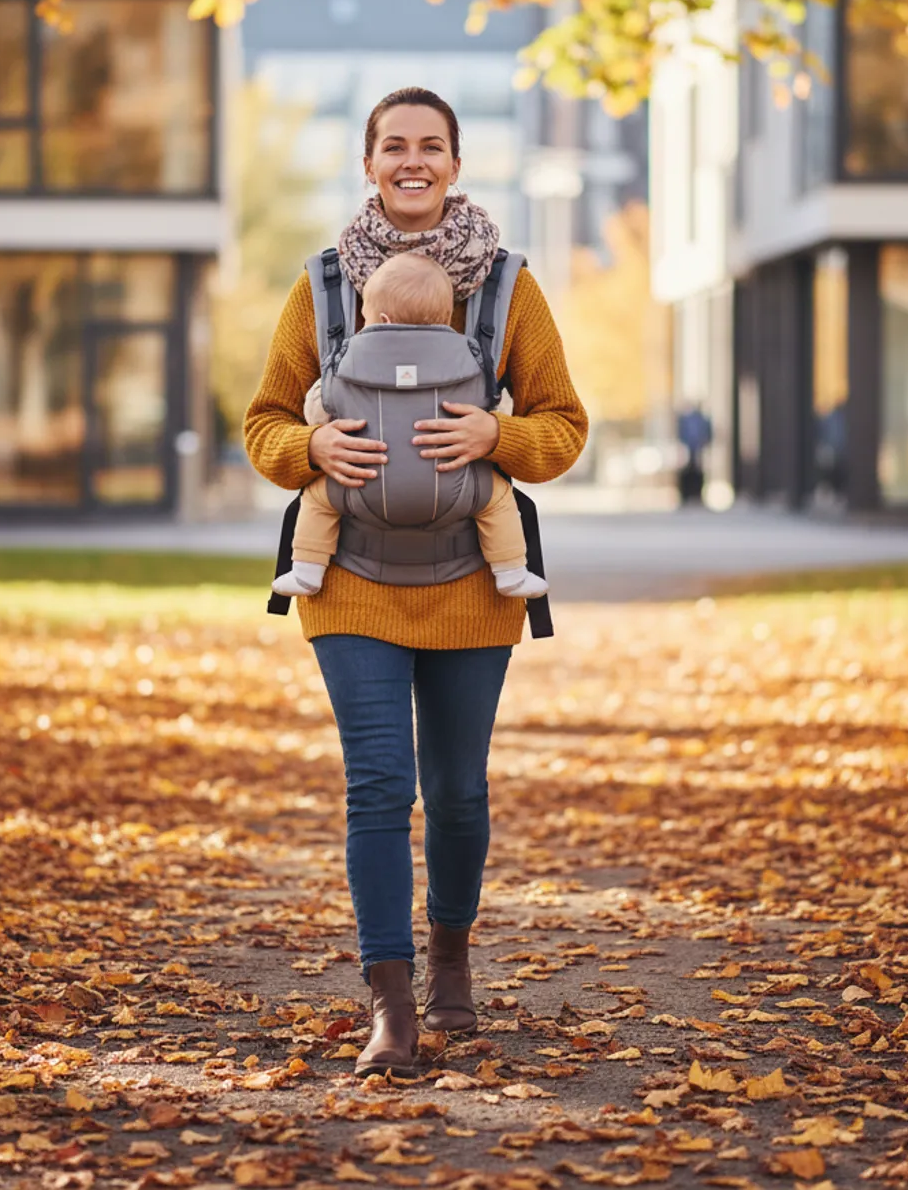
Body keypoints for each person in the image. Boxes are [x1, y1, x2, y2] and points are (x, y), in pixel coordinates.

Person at [244, 86, 588, 1077]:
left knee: (457, 794)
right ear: (367, 164)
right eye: (392, 145)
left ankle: (448, 957)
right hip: (348, 581)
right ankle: (390, 1005)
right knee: (378, 783)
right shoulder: (316, 286)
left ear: (453, 161)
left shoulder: (509, 286)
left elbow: (562, 424)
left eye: (429, 145)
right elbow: (263, 421)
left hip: (471, 584)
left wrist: (498, 434)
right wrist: (309, 444)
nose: (410, 160)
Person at [271, 252, 549, 602]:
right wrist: (497, 431)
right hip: (462, 489)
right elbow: (500, 405)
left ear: (381, 318)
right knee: (498, 501)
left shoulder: (346, 361)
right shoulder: (473, 359)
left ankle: (307, 570)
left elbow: (318, 405)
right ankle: (511, 572)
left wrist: (314, 441)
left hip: (358, 486)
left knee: (317, 501)